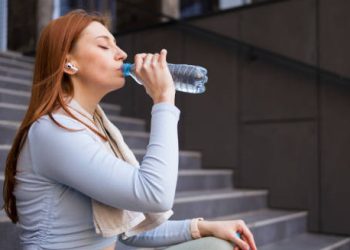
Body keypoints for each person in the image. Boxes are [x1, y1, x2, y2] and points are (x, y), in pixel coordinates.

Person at [2, 10, 257, 250]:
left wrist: (203, 226)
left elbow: (130, 228)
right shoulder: (54, 131)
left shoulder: (95, 126)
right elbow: (155, 195)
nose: (122, 53)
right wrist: (163, 100)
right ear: (68, 64)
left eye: (116, 44)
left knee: (218, 243)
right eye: (104, 46)